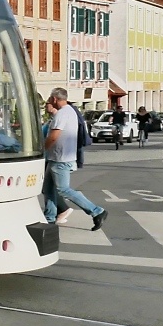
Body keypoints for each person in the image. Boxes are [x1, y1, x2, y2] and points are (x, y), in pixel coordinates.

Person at [43, 88, 107, 229]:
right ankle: (49, 217)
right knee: (48, 189)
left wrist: (42, 149)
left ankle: (96, 211)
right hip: (57, 157)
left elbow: (54, 136)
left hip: (61, 158)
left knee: (63, 189)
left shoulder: (62, 114)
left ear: (54, 99)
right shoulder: (71, 111)